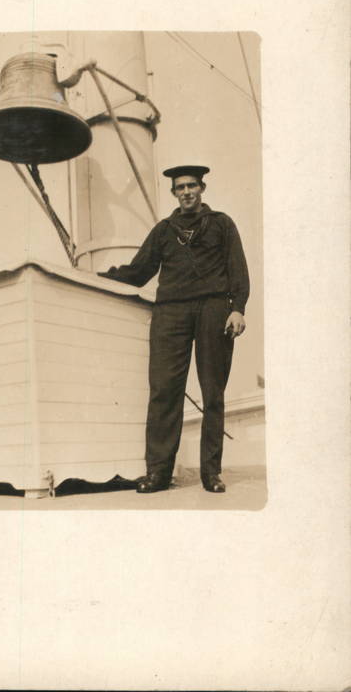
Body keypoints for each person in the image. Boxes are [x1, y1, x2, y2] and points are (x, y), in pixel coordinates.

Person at [98, 165, 249, 494]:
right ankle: (158, 473)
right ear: (173, 193)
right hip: (171, 311)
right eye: (180, 187)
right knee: (164, 390)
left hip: (213, 308)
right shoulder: (164, 230)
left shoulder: (222, 224)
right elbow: (139, 271)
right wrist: (102, 277)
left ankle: (211, 473)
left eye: (192, 185)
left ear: (202, 188)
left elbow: (238, 269)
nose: (187, 192)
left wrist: (237, 308)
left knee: (213, 393)